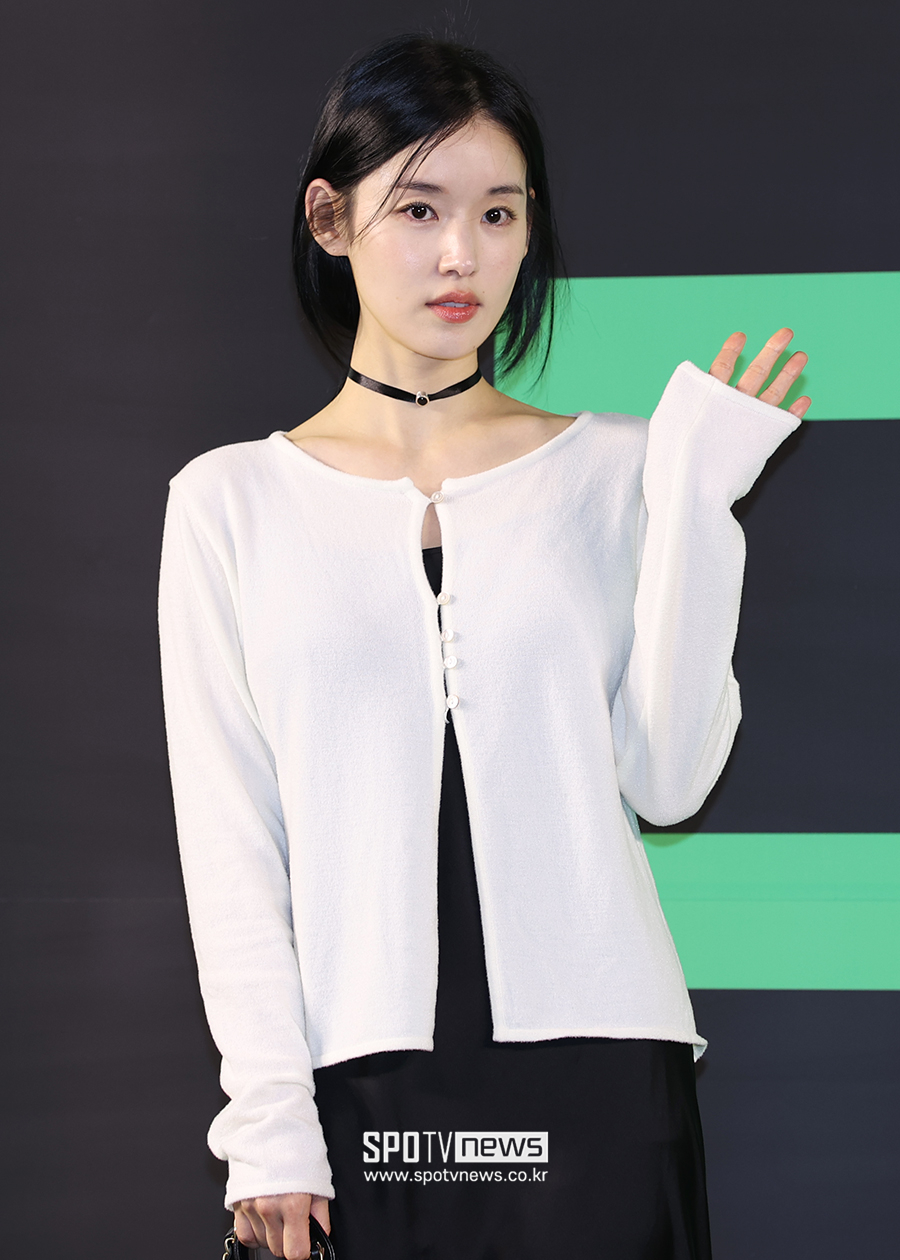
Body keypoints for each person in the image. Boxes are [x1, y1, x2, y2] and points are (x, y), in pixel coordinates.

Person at [157, 33, 810, 1260]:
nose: (463, 253)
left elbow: (669, 780)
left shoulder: (618, 469)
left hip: (603, 1083)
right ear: (330, 219)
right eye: (419, 208)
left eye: (498, 213)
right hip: (359, 1087)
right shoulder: (227, 504)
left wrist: (695, 502)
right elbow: (231, 846)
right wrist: (269, 1125)